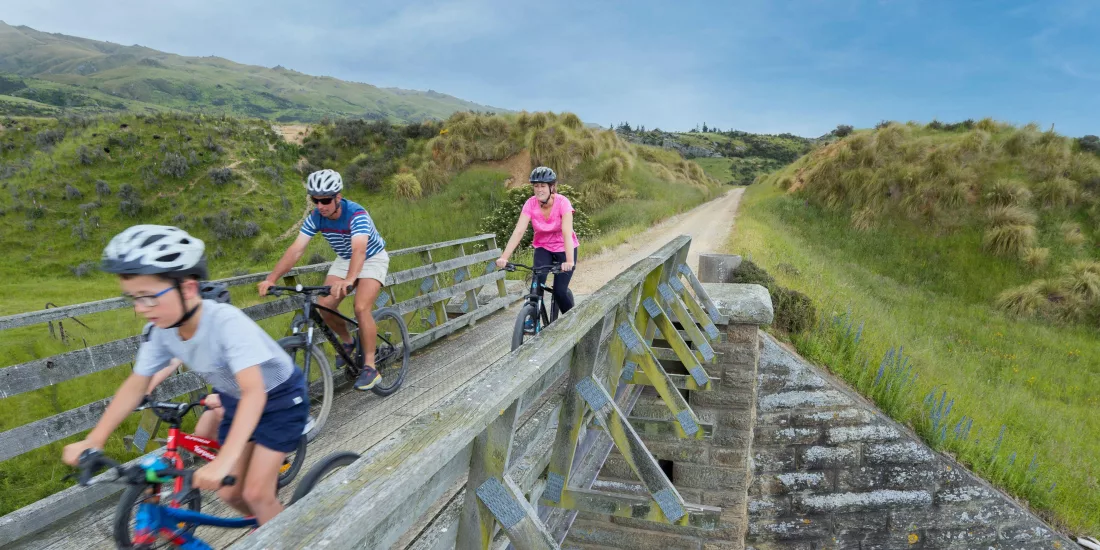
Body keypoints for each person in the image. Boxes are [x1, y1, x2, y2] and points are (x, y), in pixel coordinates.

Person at [62, 225, 309, 525]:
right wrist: (95, 439)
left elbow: (255, 392)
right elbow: (136, 384)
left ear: (188, 288)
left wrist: (226, 460)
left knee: (258, 493)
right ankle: (269, 526)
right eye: (133, 298)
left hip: (280, 399)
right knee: (230, 494)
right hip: (236, 400)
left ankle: (289, 535)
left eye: (149, 297)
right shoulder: (160, 331)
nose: (141, 308)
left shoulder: (226, 323)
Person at [258, 169, 389, 391]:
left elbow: (359, 250)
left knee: (361, 307)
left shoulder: (356, 214)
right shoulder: (316, 218)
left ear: (338, 197)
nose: (320, 205)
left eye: (325, 200)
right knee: (323, 306)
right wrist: (271, 278)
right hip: (345, 259)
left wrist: (349, 280)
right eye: (315, 200)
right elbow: (296, 250)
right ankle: (348, 342)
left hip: (371, 257)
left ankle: (370, 366)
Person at [143, 282, 233, 441]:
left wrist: (223, 400)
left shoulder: (233, 344)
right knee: (203, 433)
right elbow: (172, 362)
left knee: (229, 425)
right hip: (225, 393)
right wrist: (145, 388)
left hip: (259, 396)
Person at [495, 166, 579, 315]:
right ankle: (533, 318)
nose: (539, 189)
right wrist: (504, 257)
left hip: (564, 248)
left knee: (559, 292)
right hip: (543, 248)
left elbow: (567, 233)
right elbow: (519, 231)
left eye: (543, 186)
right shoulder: (530, 204)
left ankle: (572, 323)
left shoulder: (563, 202)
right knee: (536, 286)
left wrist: (569, 261)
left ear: (551, 187)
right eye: (536, 186)